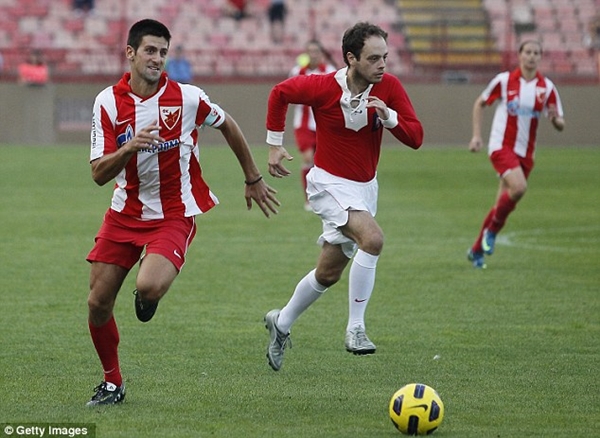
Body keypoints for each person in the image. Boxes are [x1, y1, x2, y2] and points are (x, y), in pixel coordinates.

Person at [85, 18, 280, 406]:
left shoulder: (188, 98)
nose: (157, 59)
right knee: (97, 303)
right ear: (130, 53)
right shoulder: (107, 101)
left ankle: (147, 294)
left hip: (174, 213)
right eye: (150, 50)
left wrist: (253, 177)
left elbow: (229, 125)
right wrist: (127, 149)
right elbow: (97, 175)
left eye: (163, 52)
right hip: (124, 213)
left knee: (149, 286)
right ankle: (112, 383)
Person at [263, 22, 423, 371]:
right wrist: (274, 145)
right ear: (351, 58)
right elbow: (280, 93)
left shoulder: (390, 87)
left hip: (365, 189)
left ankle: (281, 322)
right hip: (327, 185)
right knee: (373, 239)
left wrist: (390, 118)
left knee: (329, 272)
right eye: (374, 58)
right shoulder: (323, 86)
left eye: (385, 57)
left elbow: (416, 137)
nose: (382, 65)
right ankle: (356, 329)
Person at [467, 40, 565, 269]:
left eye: (536, 53)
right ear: (519, 56)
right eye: (528, 52)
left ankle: (476, 250)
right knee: (519, 188)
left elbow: (560, 122)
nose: (531, 57)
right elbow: (480, 103)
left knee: (502, 201)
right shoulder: (504, 81)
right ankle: (491, 232)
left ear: (541, 57)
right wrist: (476, 136)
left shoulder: (547, 88)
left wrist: (555, 119)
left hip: (526, 153)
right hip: (501, 146)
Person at [288, 40, 337, 210]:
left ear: (321, 53)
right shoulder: (297, 71)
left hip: (324, 123)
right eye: (310, 51)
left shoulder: (330, 71)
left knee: (325, 162)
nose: (314, 54)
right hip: (303, 123)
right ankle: (309, 199)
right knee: (308, 159)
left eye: (316, 51)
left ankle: (327, 197)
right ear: (306, 53)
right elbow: (291, 93)